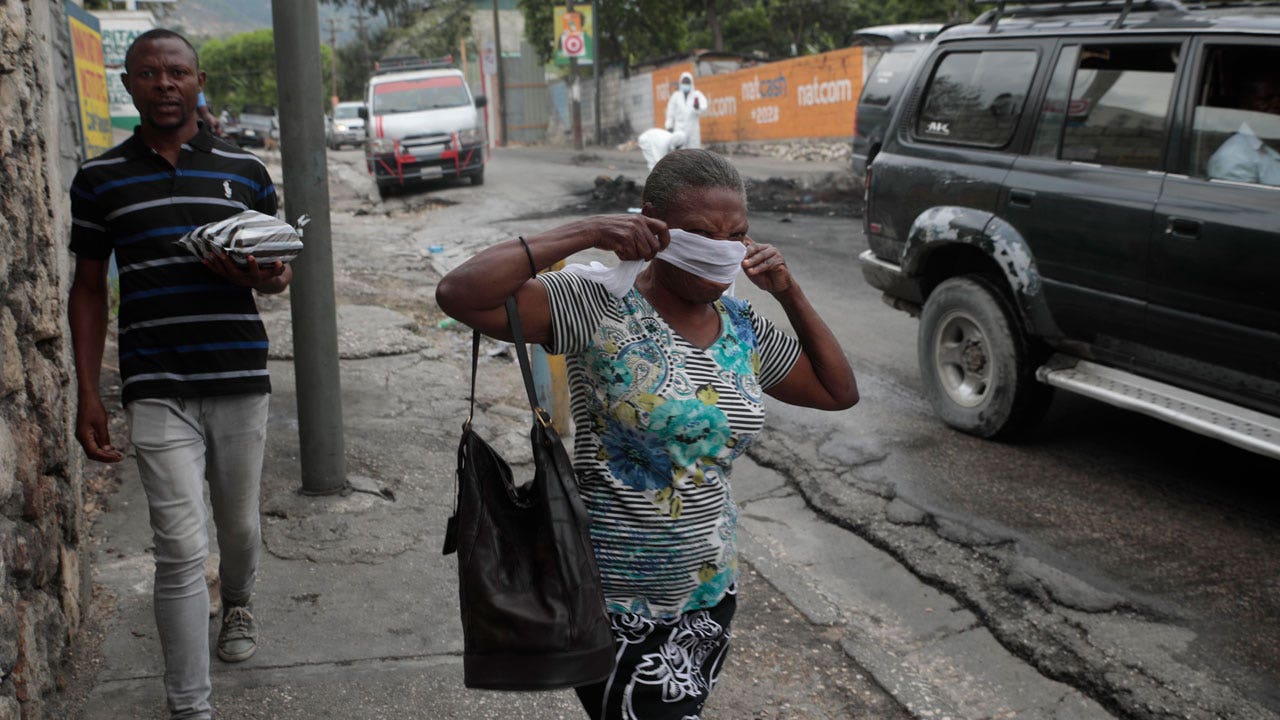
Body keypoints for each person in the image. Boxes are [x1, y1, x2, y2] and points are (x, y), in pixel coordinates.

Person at [436, 149, 858, 719]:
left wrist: (789, 291)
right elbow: (460, 294)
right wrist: (587, 230)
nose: (722, 248)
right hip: (614, 602)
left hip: (708, 594)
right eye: (702, 233)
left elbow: (837, 391)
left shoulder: (741, 327)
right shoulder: (598, 306)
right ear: (652, 224)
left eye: (738, 234)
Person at [67, 28, 290, 720]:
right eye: (149, 73)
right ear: (128, 85)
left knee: (239, 531)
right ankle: (189, 706)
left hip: (236, 374)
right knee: (177, 548)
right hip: (154, 381)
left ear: (197, 82)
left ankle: (242, 602)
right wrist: (87, 393)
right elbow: (87, 289)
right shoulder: (99, 180)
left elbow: (279, 273)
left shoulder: (246, 171)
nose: (164, 84)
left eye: (177, 72)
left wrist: (255, 273)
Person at [1206, 77, 1280, 186]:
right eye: (1266, 99)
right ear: (1246, 106)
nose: (1277, 104)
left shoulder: (1273, 141)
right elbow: (1243, 201)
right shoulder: (1234, 157)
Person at [665, 72, 709, 149]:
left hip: (693, 130)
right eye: (684, 82)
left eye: (687, 82)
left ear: (691, 83)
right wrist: (669, 125)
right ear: (680, 83)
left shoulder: (697, 95)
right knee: (681, 154)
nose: (686, 84)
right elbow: (670, 112)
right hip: (679, 129)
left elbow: (704, 107)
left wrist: (697, 107)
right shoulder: (676, 96)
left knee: (694, 153)